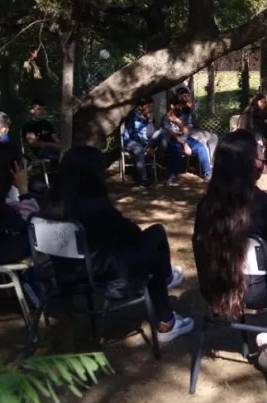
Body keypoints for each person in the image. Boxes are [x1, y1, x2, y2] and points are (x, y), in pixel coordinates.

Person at [45, 146, 194, 343]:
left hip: (67, 272)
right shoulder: (95, 205)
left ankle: (167, 294)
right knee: (156, 239)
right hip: (103, 274)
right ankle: (167, 315)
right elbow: (131, 234)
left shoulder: (50, 204)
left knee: (149, 251)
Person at [193, 130, 267, 373]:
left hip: (217, 288)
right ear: (250, 164)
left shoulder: (205, 207)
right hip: (257, 292)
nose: (263, 159)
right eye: (259, 155)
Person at [164, 96, 212, 186]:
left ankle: (208, 173)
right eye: (178, 106)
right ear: (172, 106)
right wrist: (185, 144)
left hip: (185, 138)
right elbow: (172, 135)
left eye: (181, 106)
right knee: (176, 150)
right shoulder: (165, 118)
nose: (180, 108)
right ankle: (172, 176)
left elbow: (186, 132)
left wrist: (178, 121)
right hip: (172, 140)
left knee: (201, 147)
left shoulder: (182, 116)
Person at [122, 98, 166, 186]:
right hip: (131, 141)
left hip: (146, 143)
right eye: (148, 106)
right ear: (140, 107)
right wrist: (145, 147)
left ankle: (159, 163)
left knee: (163, 132)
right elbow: (132, 134)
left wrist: (150, 121)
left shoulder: (149, 117)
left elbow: (150, 135)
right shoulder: (132, 116)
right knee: (138, 148)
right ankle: (144, 179)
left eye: (152, 106)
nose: (151, 109)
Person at [175, 86, 219, 167]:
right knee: (203, 139)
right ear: (179, 97)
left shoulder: (189, 108)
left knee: (214, 137)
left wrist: (201, 129)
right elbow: (179, 125)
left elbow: (194, 122)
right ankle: (207, 167)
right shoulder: (177, 108)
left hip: (194, 130)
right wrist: (187, 108)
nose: (187, 98)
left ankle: (212, 162)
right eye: (185, 96)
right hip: (184, 132)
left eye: (188, 95)